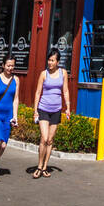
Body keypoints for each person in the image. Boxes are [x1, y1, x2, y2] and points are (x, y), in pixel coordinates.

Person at [31, 48, 70, 178]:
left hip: (56, 110)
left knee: (50, 140)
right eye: (49, 60)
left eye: (53, 60)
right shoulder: (43, 74)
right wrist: (35, 110)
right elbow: (37, 92)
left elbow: (65, 91)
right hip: (43, 109)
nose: (50, 63)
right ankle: (38, 166)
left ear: (58, 62)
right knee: (44, 138)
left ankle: (45, 167)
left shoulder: (63, 73)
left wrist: (68, 107)